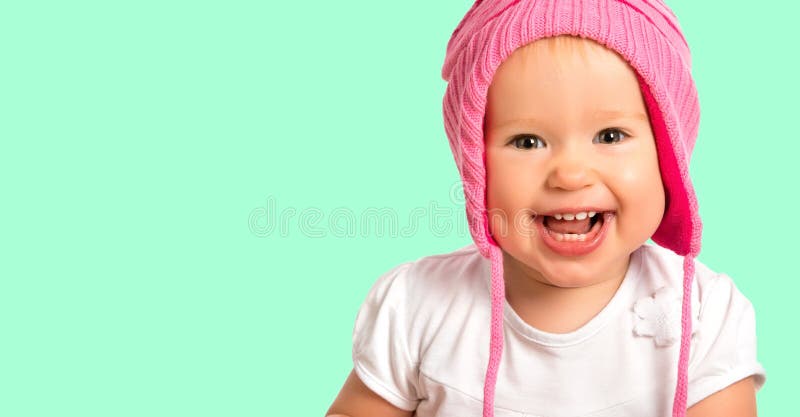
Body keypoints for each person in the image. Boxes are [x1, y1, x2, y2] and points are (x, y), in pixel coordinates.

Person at [326, 1, 766, 416]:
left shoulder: (705, 316)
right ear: (474, 162)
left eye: (611, 136)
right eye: (527, 142)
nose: (570, 175)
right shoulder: (418, 305)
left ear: (667, 155)